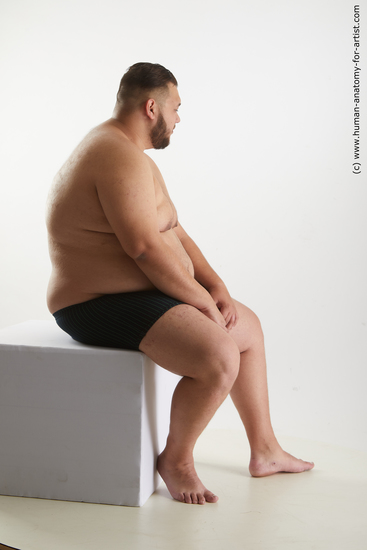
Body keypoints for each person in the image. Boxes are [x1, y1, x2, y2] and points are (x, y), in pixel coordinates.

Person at [46, 62, 314, 505]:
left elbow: (174, 232)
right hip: (92, 304)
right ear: (151, 107)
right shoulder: (113, 154)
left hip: (138, 295)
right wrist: (200, 304)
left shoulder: (132, 155)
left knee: (247, 328)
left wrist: (215, 286)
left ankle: (265, 450)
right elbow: (144, 250)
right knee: (219, 353)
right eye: (176, 107)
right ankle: (177, 459)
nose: (179, 118)